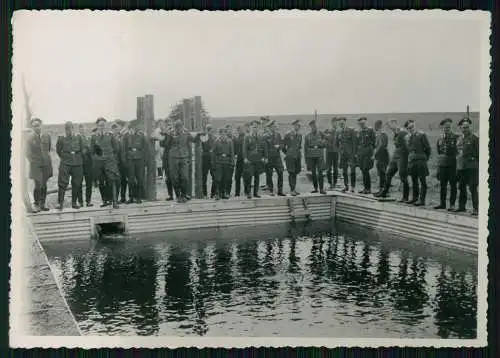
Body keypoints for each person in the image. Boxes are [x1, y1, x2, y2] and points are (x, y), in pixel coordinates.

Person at [164, 120, 200, 203]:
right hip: (173, 158)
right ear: (175, 128)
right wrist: (170, 136)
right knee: (175, 177)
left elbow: (194, 140)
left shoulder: (186, 133)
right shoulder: (171, 134)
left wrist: (198, 135)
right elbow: (166, 145)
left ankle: (184, 195)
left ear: (182, 126)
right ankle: (178, 196)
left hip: (184, 157)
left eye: (180, 127)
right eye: (177, 127)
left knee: (185, 177)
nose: (179, 129)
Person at [374, 119, 410, 202]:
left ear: (395, 123)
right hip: (396, 155)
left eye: (390, 125)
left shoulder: (403, 132)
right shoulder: (396, 132)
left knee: (403, 176)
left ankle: (405, 197)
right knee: (388, 173)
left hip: (403, 156)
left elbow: (407, 145)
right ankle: (385, 192)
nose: (389, 127)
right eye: (388, 126)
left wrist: (407, 157)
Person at [91, 117, 120, 209]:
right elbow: (92, 151)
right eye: (100, 125)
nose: (102, 127)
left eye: (103, 125)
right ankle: (105, 200)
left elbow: (116, 149)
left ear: (106, 126)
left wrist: (111, 158)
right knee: (101, 182)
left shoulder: (110, 135)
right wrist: (97, 158)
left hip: (109, 162)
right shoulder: (94, 136)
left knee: (111, 181)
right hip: (99, 163)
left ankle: (114, 201)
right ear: (97, 126)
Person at [55, 121, 85, 210]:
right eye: (67, 129)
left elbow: (82, 149)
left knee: (76, 183)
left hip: (77, 162)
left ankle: (74, 203)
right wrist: (65, 158)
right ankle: (60, 203)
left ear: (73, 129)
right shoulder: (61, 138)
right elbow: (58, 150)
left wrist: (78, 158)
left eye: (71, 129)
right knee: (62, 183)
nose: (69, 131)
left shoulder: (79, 137)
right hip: (65, 162)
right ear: (65, 130)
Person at [25, 118, 53, 212]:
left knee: (44, 185)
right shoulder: (29, 138)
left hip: (46, 164)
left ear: (41, 125)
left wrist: (45, 159)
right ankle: (36, 204)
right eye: (34, 126)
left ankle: (42, 204)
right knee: (38, 185)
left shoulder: (47, 136)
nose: (37, 127)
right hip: (36, 166)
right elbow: (27, 153)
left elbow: (48, 149)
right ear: (32, 127)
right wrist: (34, 161)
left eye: (38, 125)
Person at [454, 117, 479, 216]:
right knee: (461, 187)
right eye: (463, 127)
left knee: (472, 187)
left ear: (469, 127)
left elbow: (478, 153)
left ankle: (476, 209)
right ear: (460, 128)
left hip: (472, 167)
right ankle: (461, 207)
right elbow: (458, 152)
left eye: (467, 127)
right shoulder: (459, 139)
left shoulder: (474, 138)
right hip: (461, 167)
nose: (465, 129)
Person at [434, 118, 459, 210]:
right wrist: (438, 167)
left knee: (453, 185)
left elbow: (458, 152)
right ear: (442, 128)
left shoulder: (456, 137)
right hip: (442, 165)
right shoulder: (440, 138)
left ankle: (452, 205)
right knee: (442, 185)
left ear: (451, 127)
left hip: (452, 165)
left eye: (448, 127)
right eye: (445, 127)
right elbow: (439, 152)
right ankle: (442, 204)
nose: (447, 129)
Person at [405, 119, 431, 206]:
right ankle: (414, 198)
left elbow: (428, 148)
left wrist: (424, 158)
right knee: (414, 180)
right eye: (409, 128)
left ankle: (422, 200)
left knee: (422, 181)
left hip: (421, 161)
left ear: (415, 126)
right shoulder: (407, 137)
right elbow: (408, 150)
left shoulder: (421, 135)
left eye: (412, 127)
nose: (411, 129)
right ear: (407, 129)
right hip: (412, 162)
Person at [122, 120, 148, 204]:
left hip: (139, 159)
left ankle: (139, 197)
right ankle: (131, 197)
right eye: (133, 127)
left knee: (140, 179)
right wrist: (125, 161)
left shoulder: (141, 135)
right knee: (131, 180)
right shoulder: (126, 135)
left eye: (136, 127)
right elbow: (124, 149)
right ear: (130, 127)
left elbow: (145, 148)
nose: (135, 128)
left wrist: (144, 160)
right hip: (130, 160)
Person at [243, 120, 268, 199]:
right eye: (254, 127)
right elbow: (244, 149)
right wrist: (245, 158)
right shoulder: (247, 137)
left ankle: (255, 193)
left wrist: (265, 157)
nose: (255, 128)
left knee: (257, 177)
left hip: (258, 160)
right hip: (250, 160)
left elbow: (264, 148)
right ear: (251, 128)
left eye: (256, 127)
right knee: (249, 176)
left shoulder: (261, 137)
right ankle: (249, 192)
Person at [305, 119, 327, 194]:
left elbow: (326, 142)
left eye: (315, 126)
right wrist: (306, 159)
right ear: (310, 127)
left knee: (320, 172)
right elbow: (306, 147)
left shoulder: (321, 133)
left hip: (319, 156)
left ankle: (321, 189)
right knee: (313, 173)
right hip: (311, 156)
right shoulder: (307, 135)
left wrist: (320, 144)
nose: (314, 127)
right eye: (312, 126)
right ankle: (315, 188)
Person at [264, 120, 285, 196]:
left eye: (274, 126)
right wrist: (265, 157)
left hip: (277, 158)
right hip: (269, 158)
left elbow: (282, 144)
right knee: (269, 174)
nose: (273, 128)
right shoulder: (265, 136)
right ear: (269, 128)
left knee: (280, 173)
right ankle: (271, 190)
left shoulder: (278, 135)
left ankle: (280, 190)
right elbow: (264, 148)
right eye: (272, 127)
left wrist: (279, 146)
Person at [336, 117, 357, 193]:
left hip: (351, 154)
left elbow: (354, 143)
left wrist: (354, 154)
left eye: (342, 123)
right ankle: (346, 186)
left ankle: (353, 187)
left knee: (352, 170)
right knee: (344, 171)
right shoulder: (338, 132)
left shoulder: (351, 130)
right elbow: (337, 144)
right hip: (343, 155)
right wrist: (340, 152)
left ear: (345, 122)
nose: (341, 124)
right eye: (340, 123)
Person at [356, 117, 376, 194]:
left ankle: (368, 188)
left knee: (365, 170)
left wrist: (373, 154)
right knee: (363, 170)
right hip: (361, 154)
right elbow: (358, 143)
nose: (362, 125)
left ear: (366, 123)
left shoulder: (370, 130)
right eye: (360, 124)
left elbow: (374, 143)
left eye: (363, 123)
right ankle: (365, 188)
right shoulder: (359, 132)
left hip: (368, 153)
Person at [213, 127, 234, 199]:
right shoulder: (216, 141)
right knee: (218, 179)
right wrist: (214, 164)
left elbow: (232, 153)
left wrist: (232, 163)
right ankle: (217, 193)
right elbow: (214, 153)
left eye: (224, 133)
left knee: (226, 179)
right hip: (218, 162)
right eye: (221, 133)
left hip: (227, 162)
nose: (223, 134)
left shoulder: (230, 141)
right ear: (219, 134)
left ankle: (224, 193)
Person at [283, 119, 302, 196]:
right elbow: (283, 146)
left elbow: (299, 146)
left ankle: (294, 189)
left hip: (297, 156)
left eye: (299, 126)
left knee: (296, 172)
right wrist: (288, 153)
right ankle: (292, 190)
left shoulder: (300, 135)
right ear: (293, 125)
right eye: (296, 125)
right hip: (290, 157)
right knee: (291, 172)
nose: (298, 127)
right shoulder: (288, 134)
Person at [77, 123, 94, 207]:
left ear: (85, 130)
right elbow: (79, 150)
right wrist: (85, 150)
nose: (82, 130)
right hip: (79, 163)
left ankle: (88, 201)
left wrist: (88, 149)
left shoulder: (88, 138)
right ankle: (80, 201)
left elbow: (91, 150)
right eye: (81, 129)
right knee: (79, 183)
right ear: (79, 130)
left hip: (88, 164)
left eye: (83, 129)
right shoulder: (76, 138)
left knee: (89, 183)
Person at [112, 121, 128, 204]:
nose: (116, 130)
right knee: (116, 181)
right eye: (114, 129)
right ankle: (115, 198)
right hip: (115, 162)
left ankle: (123, 197)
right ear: (112, 130)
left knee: (124, 180)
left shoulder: (122, 137)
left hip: (123, 162)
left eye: (117, 128)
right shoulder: (111, 138)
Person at [373, 119, 389, 195]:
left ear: (379, 126)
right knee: (380, 173)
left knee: (383, 173)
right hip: (380, 157)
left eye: (376, 126)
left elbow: (382, 146)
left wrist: (375, 154)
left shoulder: (383, 134)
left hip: (383, 156)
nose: (375, 127)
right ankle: (381, 190)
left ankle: (385, 191)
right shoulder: (379, 134)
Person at [159, 122, 175, 201]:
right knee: (168, 178)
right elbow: (161, 144)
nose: (169, 130)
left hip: (173, 159)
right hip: (166, 159)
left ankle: (177, 194)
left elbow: (167, 144)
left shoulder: (172, 136)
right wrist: (163, 135)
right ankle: (170, 195)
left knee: (175, 177)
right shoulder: (165, 136)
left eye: (170, 128)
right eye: (167, 128)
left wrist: (167, 135)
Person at [201, 124, 217, 199]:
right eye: (208, 130)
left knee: (215, 177)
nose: (210, 131)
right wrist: (207, 151)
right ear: (206, 131)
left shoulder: (215, 138)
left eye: (210, 130)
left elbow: (216, 149)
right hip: (205, 160)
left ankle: (213, 194)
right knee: (204, 178)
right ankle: (204, 194)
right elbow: (200, 149)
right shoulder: (203, 138)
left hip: (213, 160)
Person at [324, 117, 339, 190]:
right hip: (329, 152)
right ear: (332, 122)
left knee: (336, 169)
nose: (335, 123)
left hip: (336, 152)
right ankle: (330, 183)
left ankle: (335, 183)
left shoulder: (339, 131)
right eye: (334, 122)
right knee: (328, 169)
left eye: (336, 122)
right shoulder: (327, 131)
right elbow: (324, 140)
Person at [233, 125, 246, 197]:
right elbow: (235, 150)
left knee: (246, 176)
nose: (240, 131)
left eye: (241, 130)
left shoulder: (246, 137)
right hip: (239, 159)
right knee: (237, 177)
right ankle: (237, 193)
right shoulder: (236, 138)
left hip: (245, 159)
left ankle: (246, 192)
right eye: (238, 130)